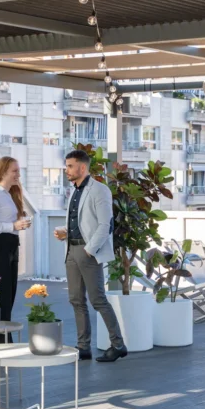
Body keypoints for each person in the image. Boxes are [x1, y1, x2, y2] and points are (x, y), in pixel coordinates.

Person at [54, 149, 127, 363]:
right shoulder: (74, 191)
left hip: (88, 253)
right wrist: (66, 233)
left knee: (98, 300)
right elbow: (83, 223)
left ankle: (118, 345)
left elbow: (105, 225)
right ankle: (83, 347)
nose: (66, 170)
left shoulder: (99, 190)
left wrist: (89, 250)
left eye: (70, 166)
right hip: (71, 250)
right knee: (76, 300)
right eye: (66, 166)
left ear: (82, 167)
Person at [0, 156, 31, 344]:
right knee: (0, 298)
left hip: (10, 247)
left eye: (18, 170)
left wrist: (18, 223)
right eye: (14, 171)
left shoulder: (8, 194)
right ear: (3, 173)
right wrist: (12, 226)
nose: (18, 174)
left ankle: (3, 341)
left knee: (8, 297)